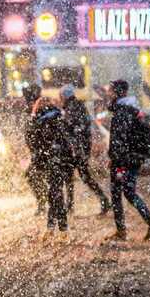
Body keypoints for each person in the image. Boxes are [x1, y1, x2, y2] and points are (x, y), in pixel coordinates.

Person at [104, 80, 150, 242]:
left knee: (119, 194)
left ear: (118, 93)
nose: (109, 94)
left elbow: (119, 140)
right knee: (127, 192)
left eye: (111, 91)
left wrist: (116, 159)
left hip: (123, 161)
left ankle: (127, 229)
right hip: (131, 158)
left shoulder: (122, 112)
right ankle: (149, 222)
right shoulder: (132, 110)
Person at [27, 93, 77, 238]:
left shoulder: (37, 121)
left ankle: (60, 229)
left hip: (50, 160)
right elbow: (69, 138)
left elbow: (33, 142)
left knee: (55, 193)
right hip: (60, 160)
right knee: (55, 193)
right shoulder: (58, 117)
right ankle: (53, 228)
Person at [60, 85, 111, 215]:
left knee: (74, 176)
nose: (60, 99)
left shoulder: (72, 108)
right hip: (80, 148)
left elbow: (73, 128)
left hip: (76, 149)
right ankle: (101, 200)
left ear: (64, 96)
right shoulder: (78, 106)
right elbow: (82, 128)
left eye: (61, 96)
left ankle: (71, 206)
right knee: (81, 176)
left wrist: (74, 145)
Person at [21, 84, 49, 215]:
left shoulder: (40, 109)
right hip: (38, 151)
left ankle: (46, 202)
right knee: (33, 176)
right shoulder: (32, 109)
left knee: (35, 176)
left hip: (44, 151)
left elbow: (35, 129)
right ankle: (44, 201)